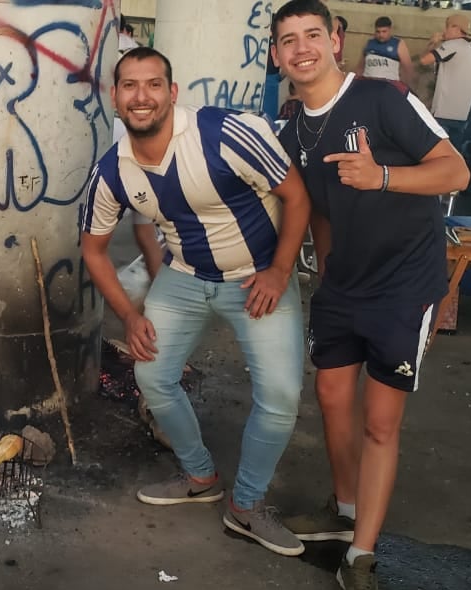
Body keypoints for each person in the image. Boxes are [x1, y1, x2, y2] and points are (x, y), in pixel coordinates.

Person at [271, 1, 470, 590]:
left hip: (402, 287)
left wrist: (382, 176)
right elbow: (321, 209)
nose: (301, 49)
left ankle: (361, 558)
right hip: (343, 286)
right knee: (332, 400)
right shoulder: (289, 124)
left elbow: (455, 170)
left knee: (381, 423)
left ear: (336, 40)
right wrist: (323, 269)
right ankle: (346, 509)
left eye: (311, 35)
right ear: (276, 54)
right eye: (287, 40)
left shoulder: (383, 99)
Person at [79, 47, 314, 557]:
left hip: (258, 279)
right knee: (152, 375)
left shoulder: (226, 133)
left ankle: (247, 507)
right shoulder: (113, 171)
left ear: (172, 92)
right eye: (129, 86)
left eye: (153, 84)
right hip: (184, 276)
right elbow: (93, 249)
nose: (142, 96)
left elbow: (296, 196)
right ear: (114, 99)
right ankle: (199, 475)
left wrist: (278, 270)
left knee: (279, 398)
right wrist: (128, 312)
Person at [420, 14, 471, 149]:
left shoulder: (451, 46)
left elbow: (424, 60)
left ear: (456, 28)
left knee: (435, 152)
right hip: (462, 113)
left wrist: (433, 42)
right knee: (454, 153)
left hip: (443, 112)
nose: (444, 31)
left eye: (447, 27)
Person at [357, 16, 414, 88]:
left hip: (389, 86)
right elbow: (360, 67)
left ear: (390, 30)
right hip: (368, 84)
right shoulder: (369, 43)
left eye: (384, 31)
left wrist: (405, 87)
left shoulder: (398, 43)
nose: (381, 35)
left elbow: (408, 68)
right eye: (378, 32)